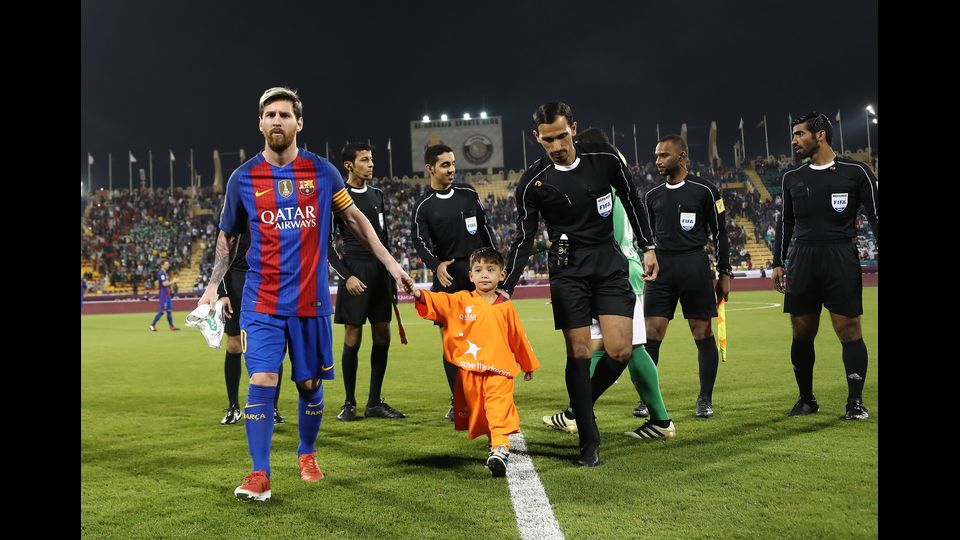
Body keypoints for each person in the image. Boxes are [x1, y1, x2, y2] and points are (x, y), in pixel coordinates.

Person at [197, 87, 412, 502]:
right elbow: (227, 237)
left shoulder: (323, 172)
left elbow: (355, 220)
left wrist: (390, 263)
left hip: (310, 302)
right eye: (270, 114)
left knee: (311, 385)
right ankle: (259, 473)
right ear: (260, 123)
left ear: (299, 123)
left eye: (285, 114)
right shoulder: (243, 178)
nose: (277, 121)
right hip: (261, 301)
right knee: (261, 377)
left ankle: (307, 454)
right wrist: (212, 286)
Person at [501, 102, 659, 466]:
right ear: (536, 138)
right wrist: (508, 285)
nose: (556, 145)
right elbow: (524, 237)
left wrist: (648, 246)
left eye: (562, 135)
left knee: (620, 351)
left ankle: (580, 407)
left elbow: (633, 200)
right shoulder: (532, 182)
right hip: (567, 268)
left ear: (573, 127)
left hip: (607, 262)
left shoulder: (604, 157)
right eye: (547, 139)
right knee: (580, 352)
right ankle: (589, 439)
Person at [540, 128, 674, 439]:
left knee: (631, 347)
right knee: (603, 346)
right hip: (620, 270)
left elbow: (604, 239)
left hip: (614, 274)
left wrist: (572, 276)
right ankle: (575, 412)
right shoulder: (617, 179)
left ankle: (661, 421)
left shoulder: (602, 187)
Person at [773, 112, 878, 420]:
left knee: (848, 329)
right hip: (803, 258)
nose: (794, 141)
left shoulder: (856, 172)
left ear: (820, 135)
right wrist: (779, 262)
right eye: (793, 135)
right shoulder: (792, 177)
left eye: (799, 134)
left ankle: (855, 402)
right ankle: (806, 399)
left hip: (840, 255)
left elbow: (875, 216)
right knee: (802, 331)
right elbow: (786, 222)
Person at [406, 247, 539, 477]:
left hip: (499, 370)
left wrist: (527, 364)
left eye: (490, 269)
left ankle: (500, 448)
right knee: (482, 414)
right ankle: (494, 443)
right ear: (471, 276)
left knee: (498, 408)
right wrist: (418, 294)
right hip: (470, 371)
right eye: (479, 270)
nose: (484, 274)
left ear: (502, 275)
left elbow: (518, 338)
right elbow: (439, 302)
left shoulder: (506, 306)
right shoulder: (461, 301)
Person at [643, 134, 731, 419]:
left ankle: (705, 398)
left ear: (681, 157)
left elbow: (721, 234)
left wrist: (725, 272)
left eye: (663, 155)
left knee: (702, 333)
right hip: (662, 270)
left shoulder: (706, 191)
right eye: (656, 156)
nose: (657, 161)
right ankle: (648, 399)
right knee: (652, 334)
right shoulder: (652, 196)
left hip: (695, 265)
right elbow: (647, 238)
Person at [411, 144, 496, 420]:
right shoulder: (424, 207)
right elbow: (419, 241)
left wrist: (494, 266)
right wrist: (436, 266)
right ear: (430, 169)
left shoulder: (469, 194)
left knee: (481, 340)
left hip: (477, 278)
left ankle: (484, 394)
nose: (452, 169)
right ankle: (457, 400)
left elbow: (485, 230)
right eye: (445, 165)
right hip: (448, 281)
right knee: (452, 343)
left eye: (453, 163)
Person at [329, 143, 405, 421]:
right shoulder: (338, 197)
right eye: (364, 160)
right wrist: (346, 276)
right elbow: (326, 246)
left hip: (379, 272)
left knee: (382, 334)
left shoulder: (377, 195)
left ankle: (374, 402)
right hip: (355, 270)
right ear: (349, 165)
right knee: (353, 336)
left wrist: (391, 274)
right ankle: (349, 402)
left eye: (371, 159)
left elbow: (383, 238)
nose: (371, 164)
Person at [217, 227, 285, 426]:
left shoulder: (269, 208)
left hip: (266, 280)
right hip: (237, 280)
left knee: (272, 344)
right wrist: (223, 292)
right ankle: (233, 407)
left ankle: (272, 407)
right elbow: (221, 255)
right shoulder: (232, 213)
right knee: (234, 345)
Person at [149, 260, 180, 331]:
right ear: (162, 265)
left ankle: (171, 326)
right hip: (163, 295)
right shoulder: (161, 273)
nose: (168, 265)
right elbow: (164, 284)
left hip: (167, 294)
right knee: (162, 311)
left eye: (168, 264)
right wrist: (173, 281)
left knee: (169, 310)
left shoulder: (165, 273)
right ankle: (152, 325)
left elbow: (167, 283)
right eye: (166, 264)